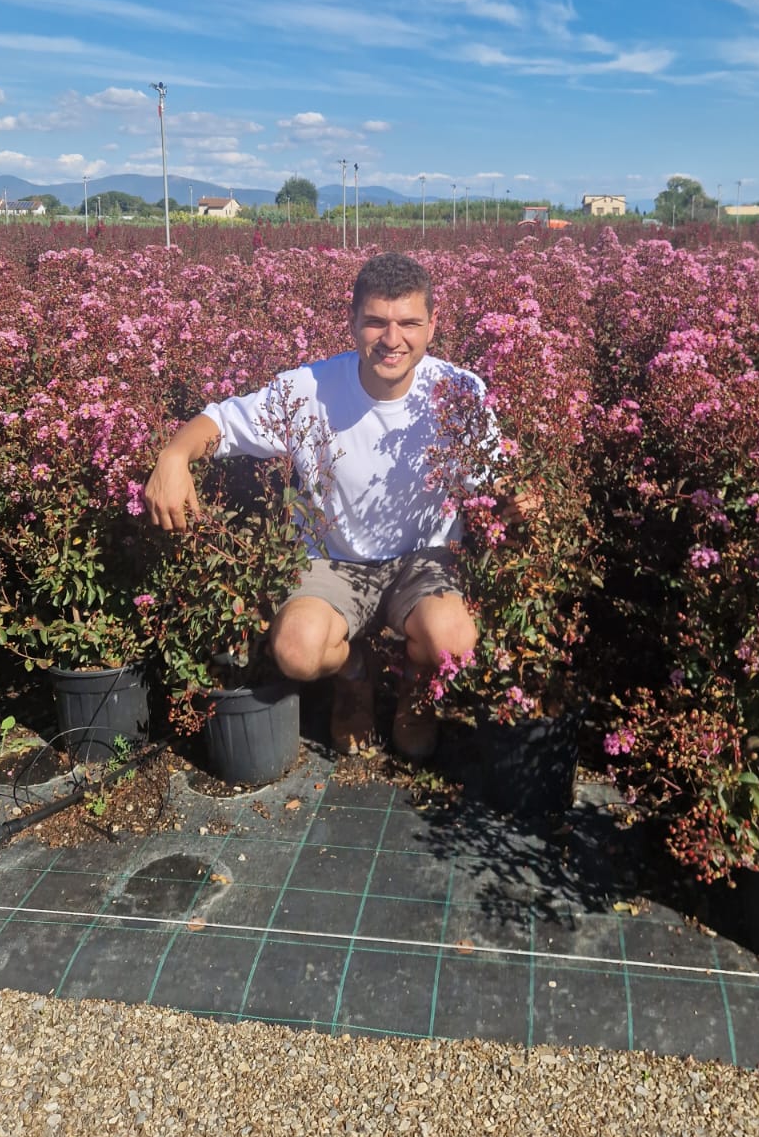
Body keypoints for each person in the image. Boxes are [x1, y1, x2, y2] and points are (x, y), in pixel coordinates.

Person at [144, 251, 509, 761]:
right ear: (352, 321)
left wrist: (520, 502)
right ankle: (354, 674)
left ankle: (415, 686)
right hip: (331, 560)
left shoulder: (460, 391)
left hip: (424, 561)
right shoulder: (310, 389)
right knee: (296, 650)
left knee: (454, 642)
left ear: (432, 325)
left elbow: (496, 479)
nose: (392, 339)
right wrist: (174, 455)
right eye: (376, 322)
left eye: (409, 323)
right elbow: (221, 423)